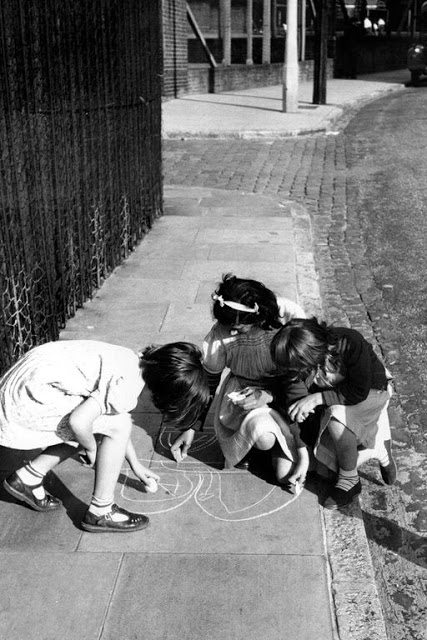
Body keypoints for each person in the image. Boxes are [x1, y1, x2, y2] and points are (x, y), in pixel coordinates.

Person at [1, 340, 209, 532]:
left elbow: (111, 418)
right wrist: (90, 447)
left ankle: (28, 477)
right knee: (105, 426)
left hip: (23, 381)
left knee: (108, 423)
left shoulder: (132, 362)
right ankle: (101, 511)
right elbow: (80, 422)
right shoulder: (127, 387)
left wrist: (135, 464)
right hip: (26, 399)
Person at [170, 274, 309, 490]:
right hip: (243, 392)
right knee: (264, 437)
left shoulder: (287, 315)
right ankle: (258, 447)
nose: (232, 331)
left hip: (287, 391)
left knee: (284, 476)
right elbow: (209, 382)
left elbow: (304, 369)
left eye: (238, 326)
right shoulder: (220, 334)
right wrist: (191, 426)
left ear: (258, 315)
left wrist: (270, 395)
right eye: (228, 325)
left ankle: (275, 446)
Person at [270, 318, 397, 509]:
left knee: (336, 416)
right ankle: (377, 450)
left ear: (311, 355)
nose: (291, 372)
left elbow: (358, 391)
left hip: (371, 392)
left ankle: (350, 480)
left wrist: (318, 398)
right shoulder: (294, 367)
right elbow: (296, 409)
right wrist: (303, 454)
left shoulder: (349, 342)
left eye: (296, 368)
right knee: (315, 471)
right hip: (334, 403)